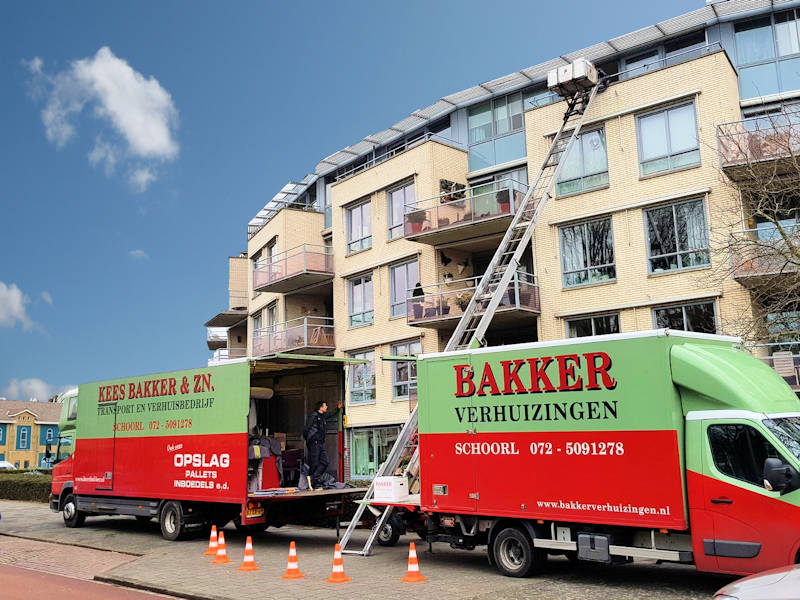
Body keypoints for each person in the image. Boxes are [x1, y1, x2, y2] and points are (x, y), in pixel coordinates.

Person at [303, 400, 341, 486]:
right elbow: (306, 429)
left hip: (320, 443)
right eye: (325, 405)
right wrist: (309, 440)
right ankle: (312, 483)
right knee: (314, 463)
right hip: (314, 443)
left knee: (325, 461)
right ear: (321, 407)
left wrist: (337, 409)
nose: (326, 407)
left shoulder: (322, 416)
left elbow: (330, 414)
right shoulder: (313, 416)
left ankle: (314, 478)